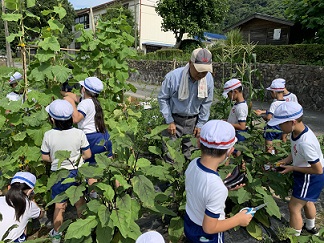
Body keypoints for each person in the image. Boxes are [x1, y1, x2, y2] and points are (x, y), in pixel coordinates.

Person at [184, 120, 252, 242]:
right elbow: (209, 228)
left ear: (199, 143)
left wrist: (224, 185)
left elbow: (202, 189)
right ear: (230, 151)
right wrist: (239, 219)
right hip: (207, 237)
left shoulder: (193, 164)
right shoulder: (216, 187)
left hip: (190, 224)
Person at [268, 102, 324, 237]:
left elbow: (318, 170)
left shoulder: (306, 142)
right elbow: (296, 152)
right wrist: (286, 161)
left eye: (281, 124)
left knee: (294, 207)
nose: (279, 127)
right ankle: (310, 227)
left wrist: (292, 168)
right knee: (307, 201)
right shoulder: (298, 131)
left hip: (310, 177)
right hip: (306, 173)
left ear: (292, 122)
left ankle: (294, 237)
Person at [41, 99, 91, 243]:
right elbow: (87, 155)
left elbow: (45, 157)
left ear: (52, 119)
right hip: (76, 173)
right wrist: (77, 159)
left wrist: (56, 160)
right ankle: (85, 230)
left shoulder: (48, 135)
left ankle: (57, 235)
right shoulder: (79, 133)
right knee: (79, 202)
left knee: (59, 205)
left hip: (58, 174)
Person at [158, 48, 214, 161]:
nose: (201, 74)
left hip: (193, 122)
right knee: (170, 154)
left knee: (191, 155)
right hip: (174, 120)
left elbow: (207, 102)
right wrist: (169, 121)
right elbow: (163, 99)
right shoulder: (173, 77)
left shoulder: (208, 79)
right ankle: (170, 178)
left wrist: (201, 124)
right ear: (190, 63)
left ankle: (187, 178)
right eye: (199, 70)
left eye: (205, 71)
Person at [63, 77, 113, 195]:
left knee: (91, 171)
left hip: (91, 139)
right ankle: (119, 193)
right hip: (104, 136)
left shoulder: (84, 104)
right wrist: (65, 93)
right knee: (110, 168)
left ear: (83, 89)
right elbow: (75, 97)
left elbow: (76, 119)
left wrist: (71, 104)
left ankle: (94, 198)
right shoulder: (93, 101)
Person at [0, 172, 44, 242]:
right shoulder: (29, 205)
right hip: (11, 241)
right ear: (31, 191)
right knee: (23, 221)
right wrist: (33, 201)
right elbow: (41, 215)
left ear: (9, 187)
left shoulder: (1, 199)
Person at [254, 79, 286, 154]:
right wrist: (263, 111)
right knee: (277, 147)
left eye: (271, 92)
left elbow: (269, 117)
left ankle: (268, 164)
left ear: (274, 92)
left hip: (271, 128)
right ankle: (278, 162)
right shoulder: (285, 103)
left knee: (269, 148)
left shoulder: (274, 104)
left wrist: (261, 116)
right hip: (280, 127)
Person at [222, 79, 248, 157]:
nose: (228, 96)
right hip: (234, 133)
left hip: (238, 135)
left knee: (236, 154)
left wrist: (227, 123)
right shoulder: (237, 105)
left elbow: (242, 126)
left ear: (235, 91)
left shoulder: (241, 107)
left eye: (229, 94)